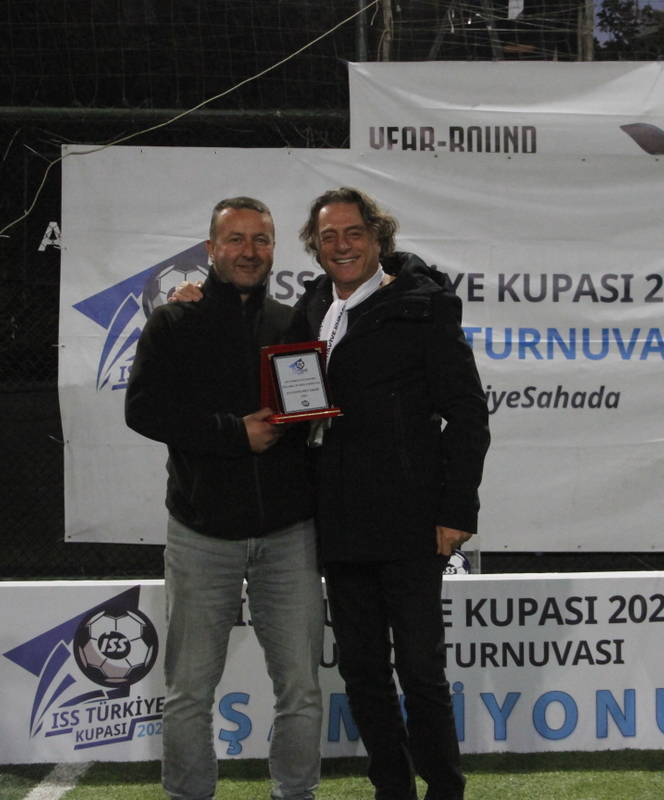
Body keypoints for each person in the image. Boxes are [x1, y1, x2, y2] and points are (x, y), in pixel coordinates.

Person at [125, 197, 324, 800]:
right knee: (189, 690)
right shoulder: (173, 322)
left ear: (274, 249)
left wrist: (307, 421)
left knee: (301, 688)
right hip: (202, 533)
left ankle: (296, 793)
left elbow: (308, 409)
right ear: (210, 250)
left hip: (288, 533)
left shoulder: (293, 323)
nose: (249, 251)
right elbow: (144, 411)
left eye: (260, 240)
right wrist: (235, 434)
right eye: (235, 239)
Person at [297, 187, 490, 800]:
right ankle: (392, 789)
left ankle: (446, 789)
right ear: (315, 246)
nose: (341, 245)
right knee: (361, 673)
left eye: (353, 232)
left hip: (411, 522)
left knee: (421, 672)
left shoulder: (423, 306)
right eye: (328, 236)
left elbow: (468, 414)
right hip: (339, 522)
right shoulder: (311, 306)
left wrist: (457, 508)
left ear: (378, 237)